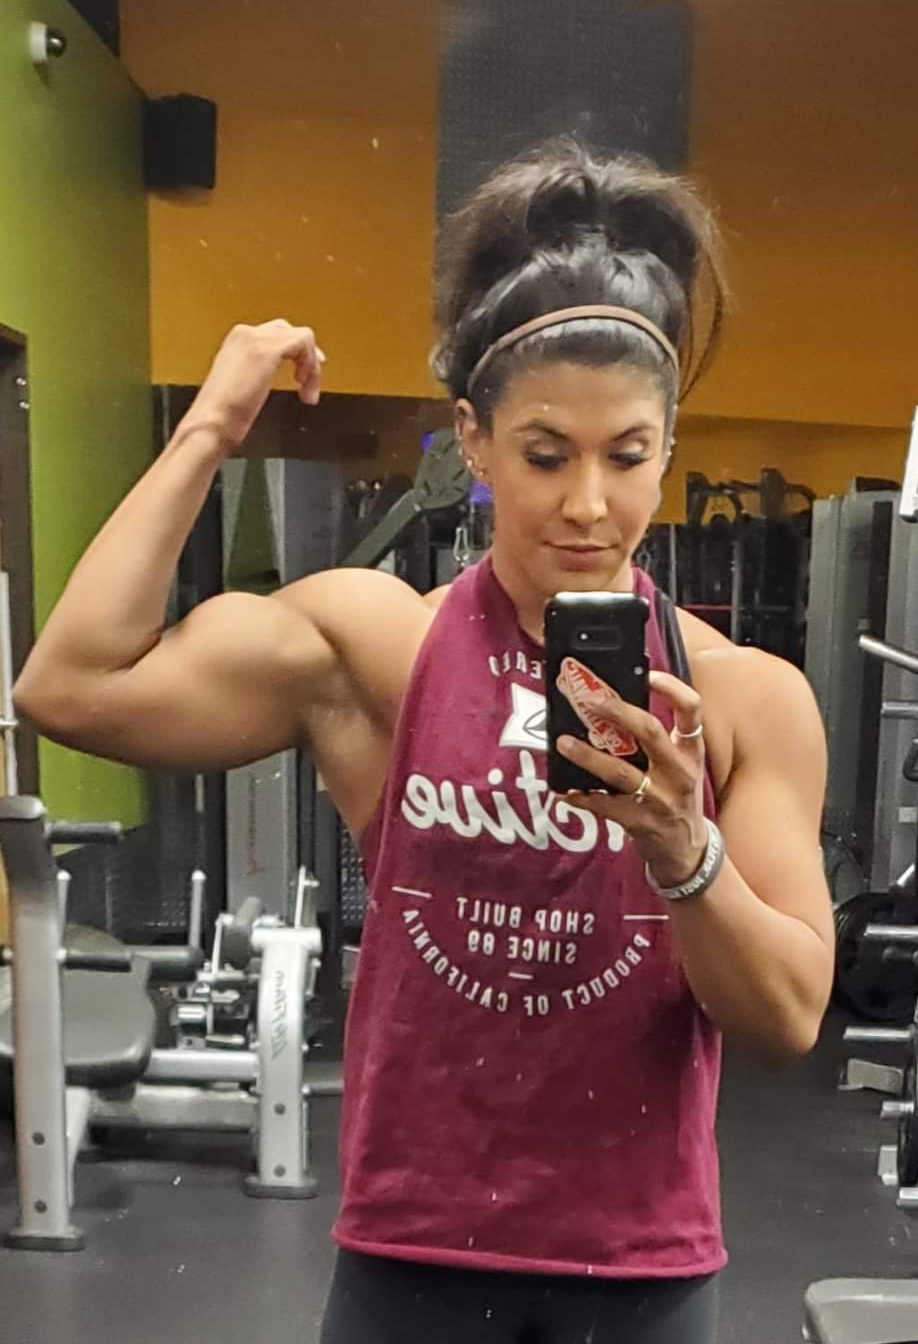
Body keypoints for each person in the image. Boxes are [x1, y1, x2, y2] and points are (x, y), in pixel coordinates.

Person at [14, 141, 834, 1343]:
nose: (589, 503)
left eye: (627, 455)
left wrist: (682, 850)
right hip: (415, 1259)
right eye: (546, 455)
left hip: (640, 1272)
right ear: (475, 442)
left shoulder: (747, 702)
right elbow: (70, 685)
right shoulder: (380, 648)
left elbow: (790, 1015)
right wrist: (209, 429)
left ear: (668, 446)